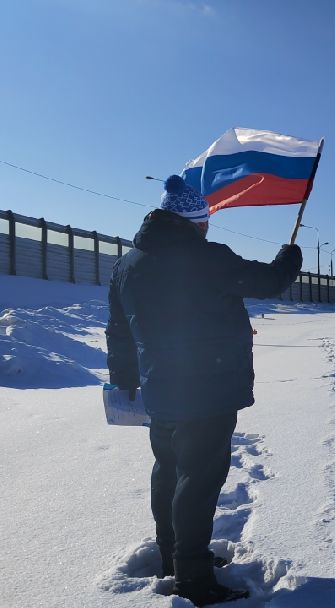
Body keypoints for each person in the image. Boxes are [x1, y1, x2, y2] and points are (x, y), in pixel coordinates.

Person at [106, 175, 302, 606]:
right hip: (208, 388)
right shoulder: (208, 258)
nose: (208, 227)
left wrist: (124, 378)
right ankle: (192, 577)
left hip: (160, 387)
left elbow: (118, 330)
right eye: (205, 220)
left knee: (170, 471)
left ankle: (174, 558)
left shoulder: (127, 263)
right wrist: (290, 256)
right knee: (199, 479)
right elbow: (268, 282)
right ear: (192, 221)